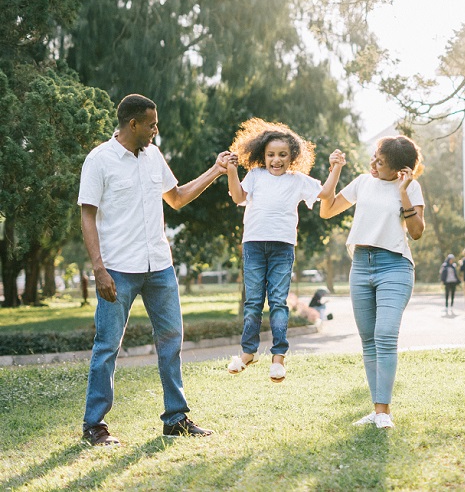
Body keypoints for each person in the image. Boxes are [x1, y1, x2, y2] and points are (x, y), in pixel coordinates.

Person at [78, 94, 229, 445]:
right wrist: (98, 269)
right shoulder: (99, 160)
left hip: (160, 266)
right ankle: (94, 425)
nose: (156, 130)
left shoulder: (153, 156)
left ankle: (175, 419)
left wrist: (215, 170)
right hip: (118, 268)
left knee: (171, 341)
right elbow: (87, 214)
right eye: (151, 124)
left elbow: (176, 198)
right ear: (133, 124)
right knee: (107, 345)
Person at [225, 118, 345, 383]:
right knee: (254, 301)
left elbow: (325, 193)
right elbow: (237, 197)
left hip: (282, 247)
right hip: (254, 245)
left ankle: (278, 357)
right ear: (262, 156)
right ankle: (248, 352)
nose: (276, 160)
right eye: (270, 155)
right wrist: (231, 171)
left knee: (278, 301)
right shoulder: (255, 175)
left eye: (282, 155)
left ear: (293, 157)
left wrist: (335, 168)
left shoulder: (298, 180)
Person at [320, 135, 425, 429]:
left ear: (401, 170)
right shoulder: (363, 182)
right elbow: (326, 211)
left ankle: (383, 412)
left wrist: (403, 192)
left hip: (395, 265)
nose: (374, 164)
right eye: (375, 158)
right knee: (369, 341)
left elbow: (416, 232)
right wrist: (335, 170)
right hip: (361, 265)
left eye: (381, 162)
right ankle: (377, 410)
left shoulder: (411, 187)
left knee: (385, 334)